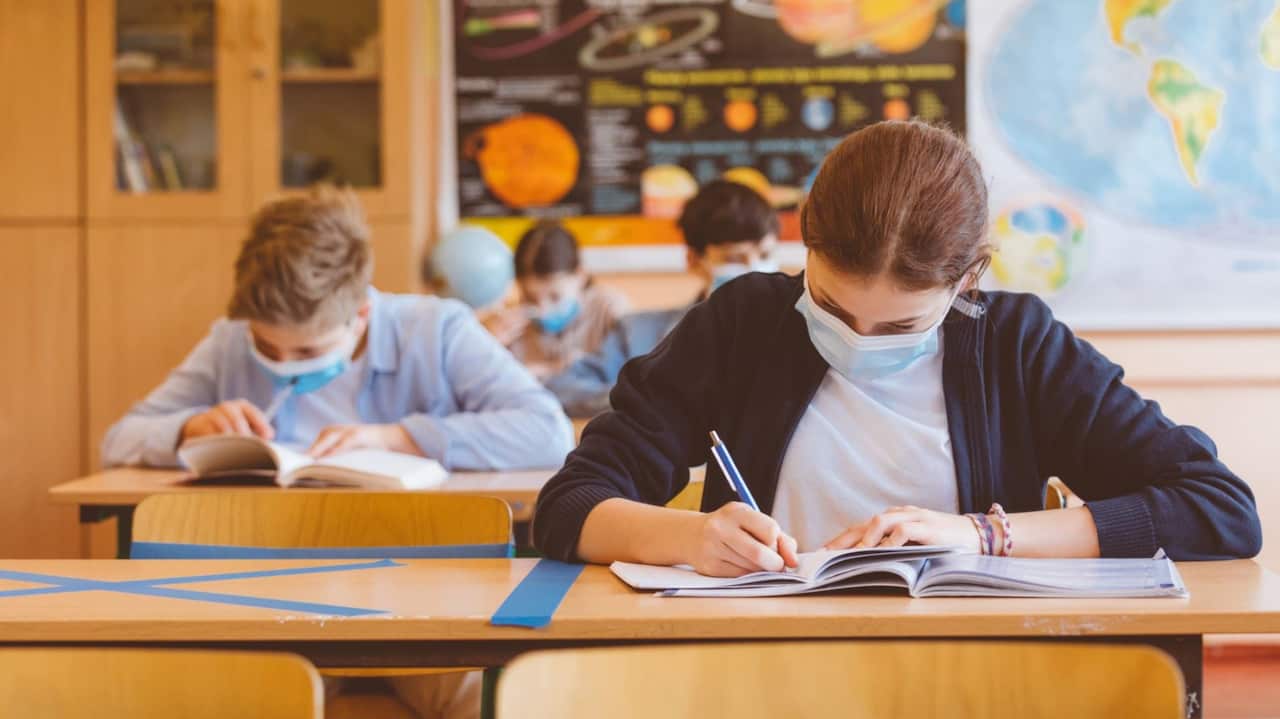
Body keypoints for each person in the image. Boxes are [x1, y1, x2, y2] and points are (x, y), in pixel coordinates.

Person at [533, 121, 1262, 574]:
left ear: (967, 280)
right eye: (829, 306)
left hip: (973, 678)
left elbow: (1219, 508)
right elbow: (569, 505)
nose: (855, 339)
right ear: (805, 244)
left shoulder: (1016, 343)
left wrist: (984, 536)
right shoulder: (743, 323)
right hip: (757, 671)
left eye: (899, 328)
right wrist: (688, 537)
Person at [103, 187, 576, 718]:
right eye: (268, 348)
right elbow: (120, 437)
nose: (284, 363)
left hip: (431, 607)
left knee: (480, 701)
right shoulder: (230, 341)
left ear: (363, 312)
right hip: (274, 607)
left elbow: (548, 431)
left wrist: (397, 436)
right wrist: (188, 426)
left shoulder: (437, 330)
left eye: (307, 351)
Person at [545, 180, 779, 417]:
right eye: (734, 259)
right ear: (694, 260)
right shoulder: (637, 332)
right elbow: (564, 388)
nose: (755, 270)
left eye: (765, 255)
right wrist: (644, 398)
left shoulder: (800, 330)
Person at [483, 221, 627, 381]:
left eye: (555, 297)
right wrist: (486, 343)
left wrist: (550, 370)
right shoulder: (509, 326)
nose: (543, 310)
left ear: (580, 275)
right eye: (530, 298)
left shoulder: (610, 310)